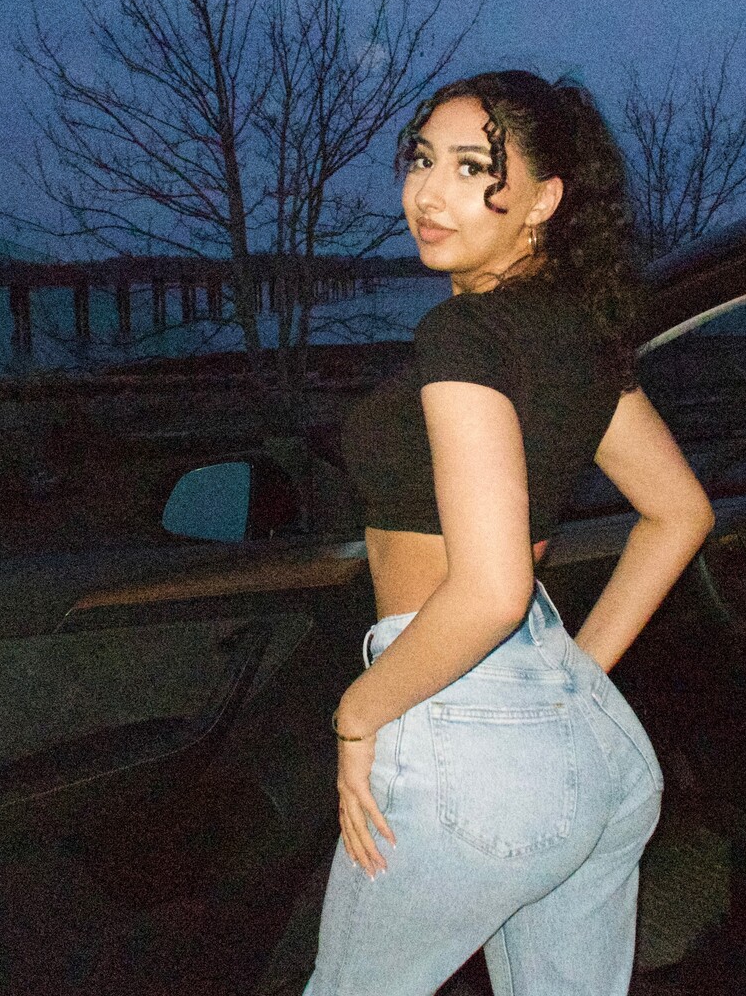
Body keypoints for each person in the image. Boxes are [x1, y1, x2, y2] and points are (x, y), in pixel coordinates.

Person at [305, 71, 715, 995]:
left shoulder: (467, 336)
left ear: (544, 200)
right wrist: (570, 683)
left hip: (462, 723)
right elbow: (680, 512)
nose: (428, 194)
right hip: (586, 742)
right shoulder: (577, 333)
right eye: (421, 161)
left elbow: (491, 592)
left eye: (470, 168)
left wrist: (358, 715)